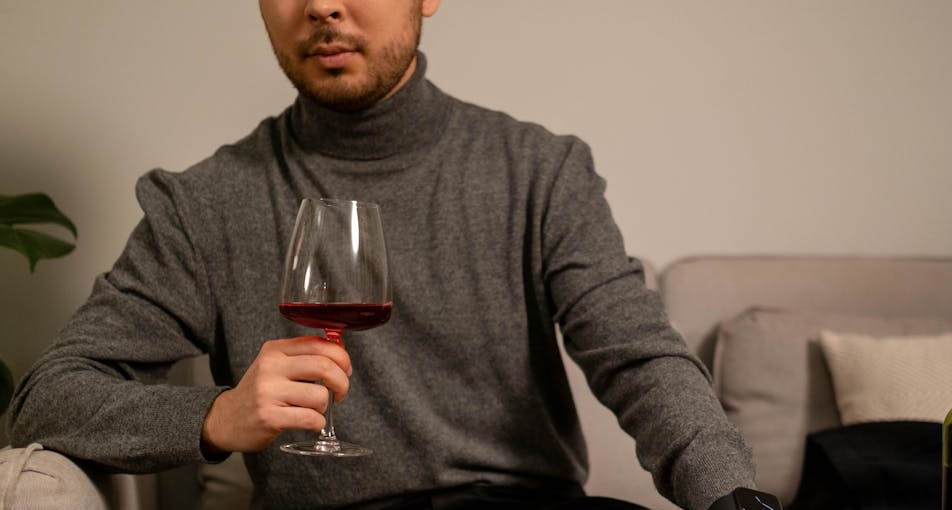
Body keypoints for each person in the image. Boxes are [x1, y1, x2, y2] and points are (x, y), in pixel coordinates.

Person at [8, 1, 769, 509]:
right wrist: (216, 413)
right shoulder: (202, 204)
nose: (324, 6)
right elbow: (47, 397)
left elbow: (637, 357)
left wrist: (730, 494)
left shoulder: (540, 170)